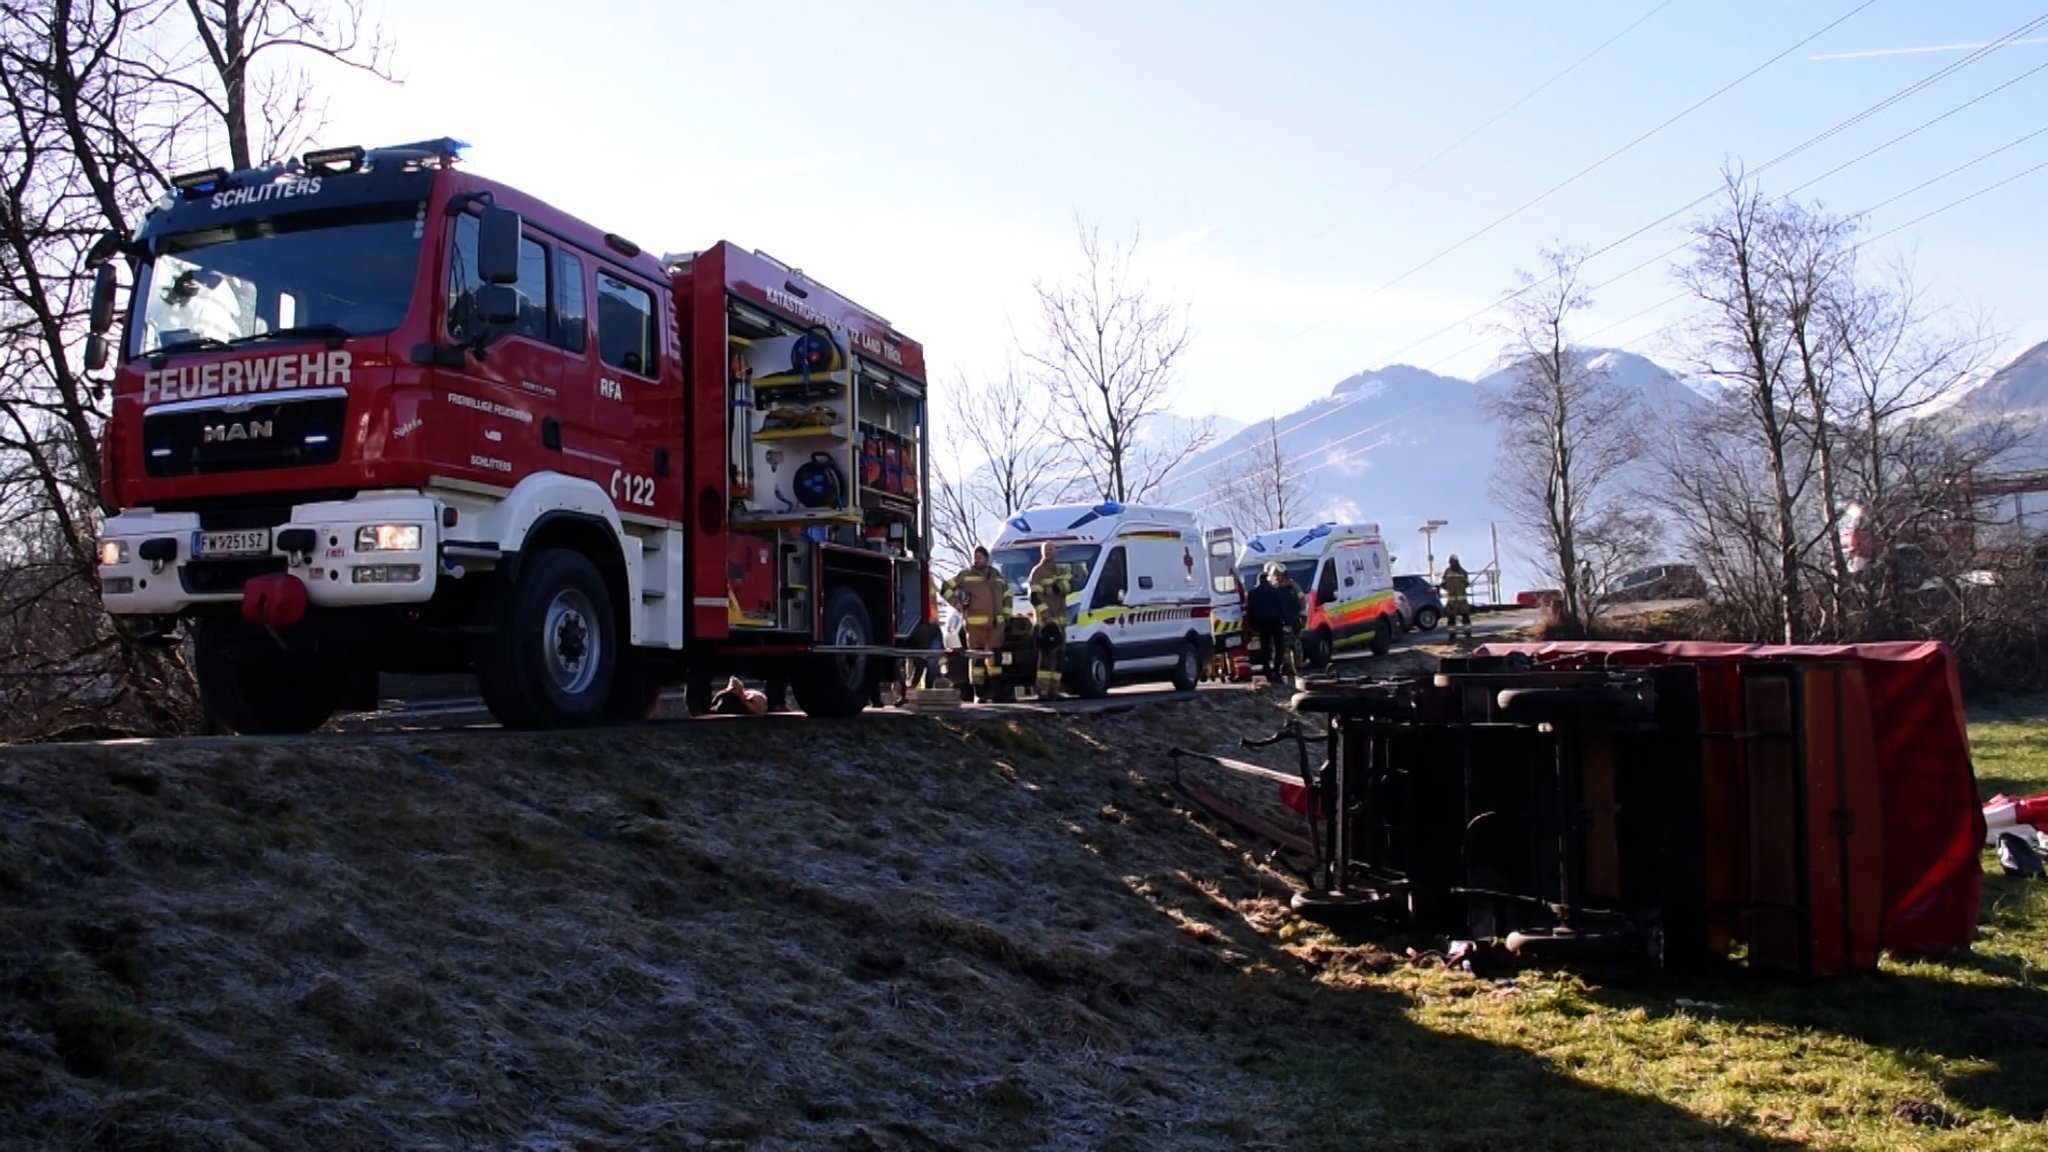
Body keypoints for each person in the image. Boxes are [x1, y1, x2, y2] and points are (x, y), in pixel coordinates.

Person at [940, 545, 1010, 702]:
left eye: (979, 557)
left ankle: (996, 691)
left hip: (995, 627)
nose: (976, 560)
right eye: (974, 557)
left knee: (995, 660)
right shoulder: (965, 576)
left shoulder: (997, 576)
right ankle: (979, 693)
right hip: (974, 626)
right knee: (976, 659)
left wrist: (1006, 615)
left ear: (986, 559)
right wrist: (955, 603)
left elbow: (1008, 595)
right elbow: (945, 588)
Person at [1026, 541, 1074, 701]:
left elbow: (1070, 584)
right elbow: (1034, 597)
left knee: (1059, 658)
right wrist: (1045, 615)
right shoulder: (1037, 572)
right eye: (1046, 549)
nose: (1049, 552)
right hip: (1046, 623)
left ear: (1056, 551)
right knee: (1046, 658)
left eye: (1051, 549)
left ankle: (1054, 690)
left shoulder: (1062, 570)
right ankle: (1043, 691)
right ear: (1041, 552)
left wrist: (1054, 588)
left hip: (1061, 623)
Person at [1245, 563, 1294, 684]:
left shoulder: (1253, 593)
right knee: (1279, 647)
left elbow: (1250, 610)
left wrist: (1253, 626)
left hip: (1262, 623)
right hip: (1275, 622)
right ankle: (1276, 671)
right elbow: (1282, 607)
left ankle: (1266, 670)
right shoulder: (1275, 591)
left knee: (1265, 647)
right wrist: (1288, 622)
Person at [1440, 554, 1473, 638]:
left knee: (1465, 616)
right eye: (1450, 562)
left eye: (1452, 561)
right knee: (1451, 618)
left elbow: (1466, 583)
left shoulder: (1463, 572)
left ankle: (1468, 633)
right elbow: (1442, 584)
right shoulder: (1446, 572)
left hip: (1462, 600)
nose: (1451, 563)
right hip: (1452, 600)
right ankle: (1452, 634)